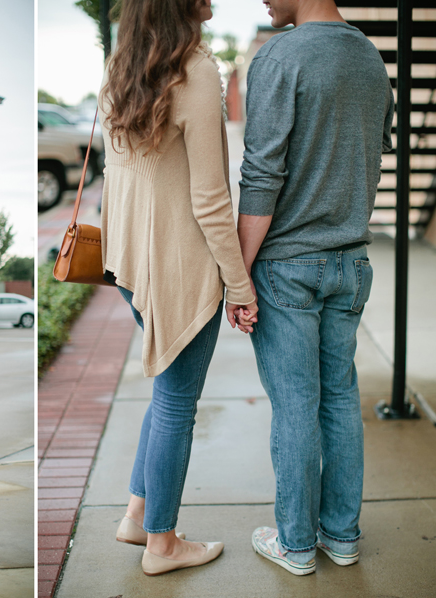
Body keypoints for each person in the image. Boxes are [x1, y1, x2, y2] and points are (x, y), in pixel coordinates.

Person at [98, 0, 258, 577]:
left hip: (129, 263)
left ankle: (139, 515)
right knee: (176, 403)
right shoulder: (195, 71)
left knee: (167, 391)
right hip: (180, 267)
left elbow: (118, 183)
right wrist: (239, 285)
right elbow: (212, 201)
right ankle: (162, 545)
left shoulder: (120, 73)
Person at [236, 0, 394, 576]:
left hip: (287, 267)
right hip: (351, 263)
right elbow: (374, 153)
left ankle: (297, 545)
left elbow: (261, 173)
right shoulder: (369, 58)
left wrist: (238, 276)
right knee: (340, 399)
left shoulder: (279, 55)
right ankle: (342, 537)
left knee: (296, 406)